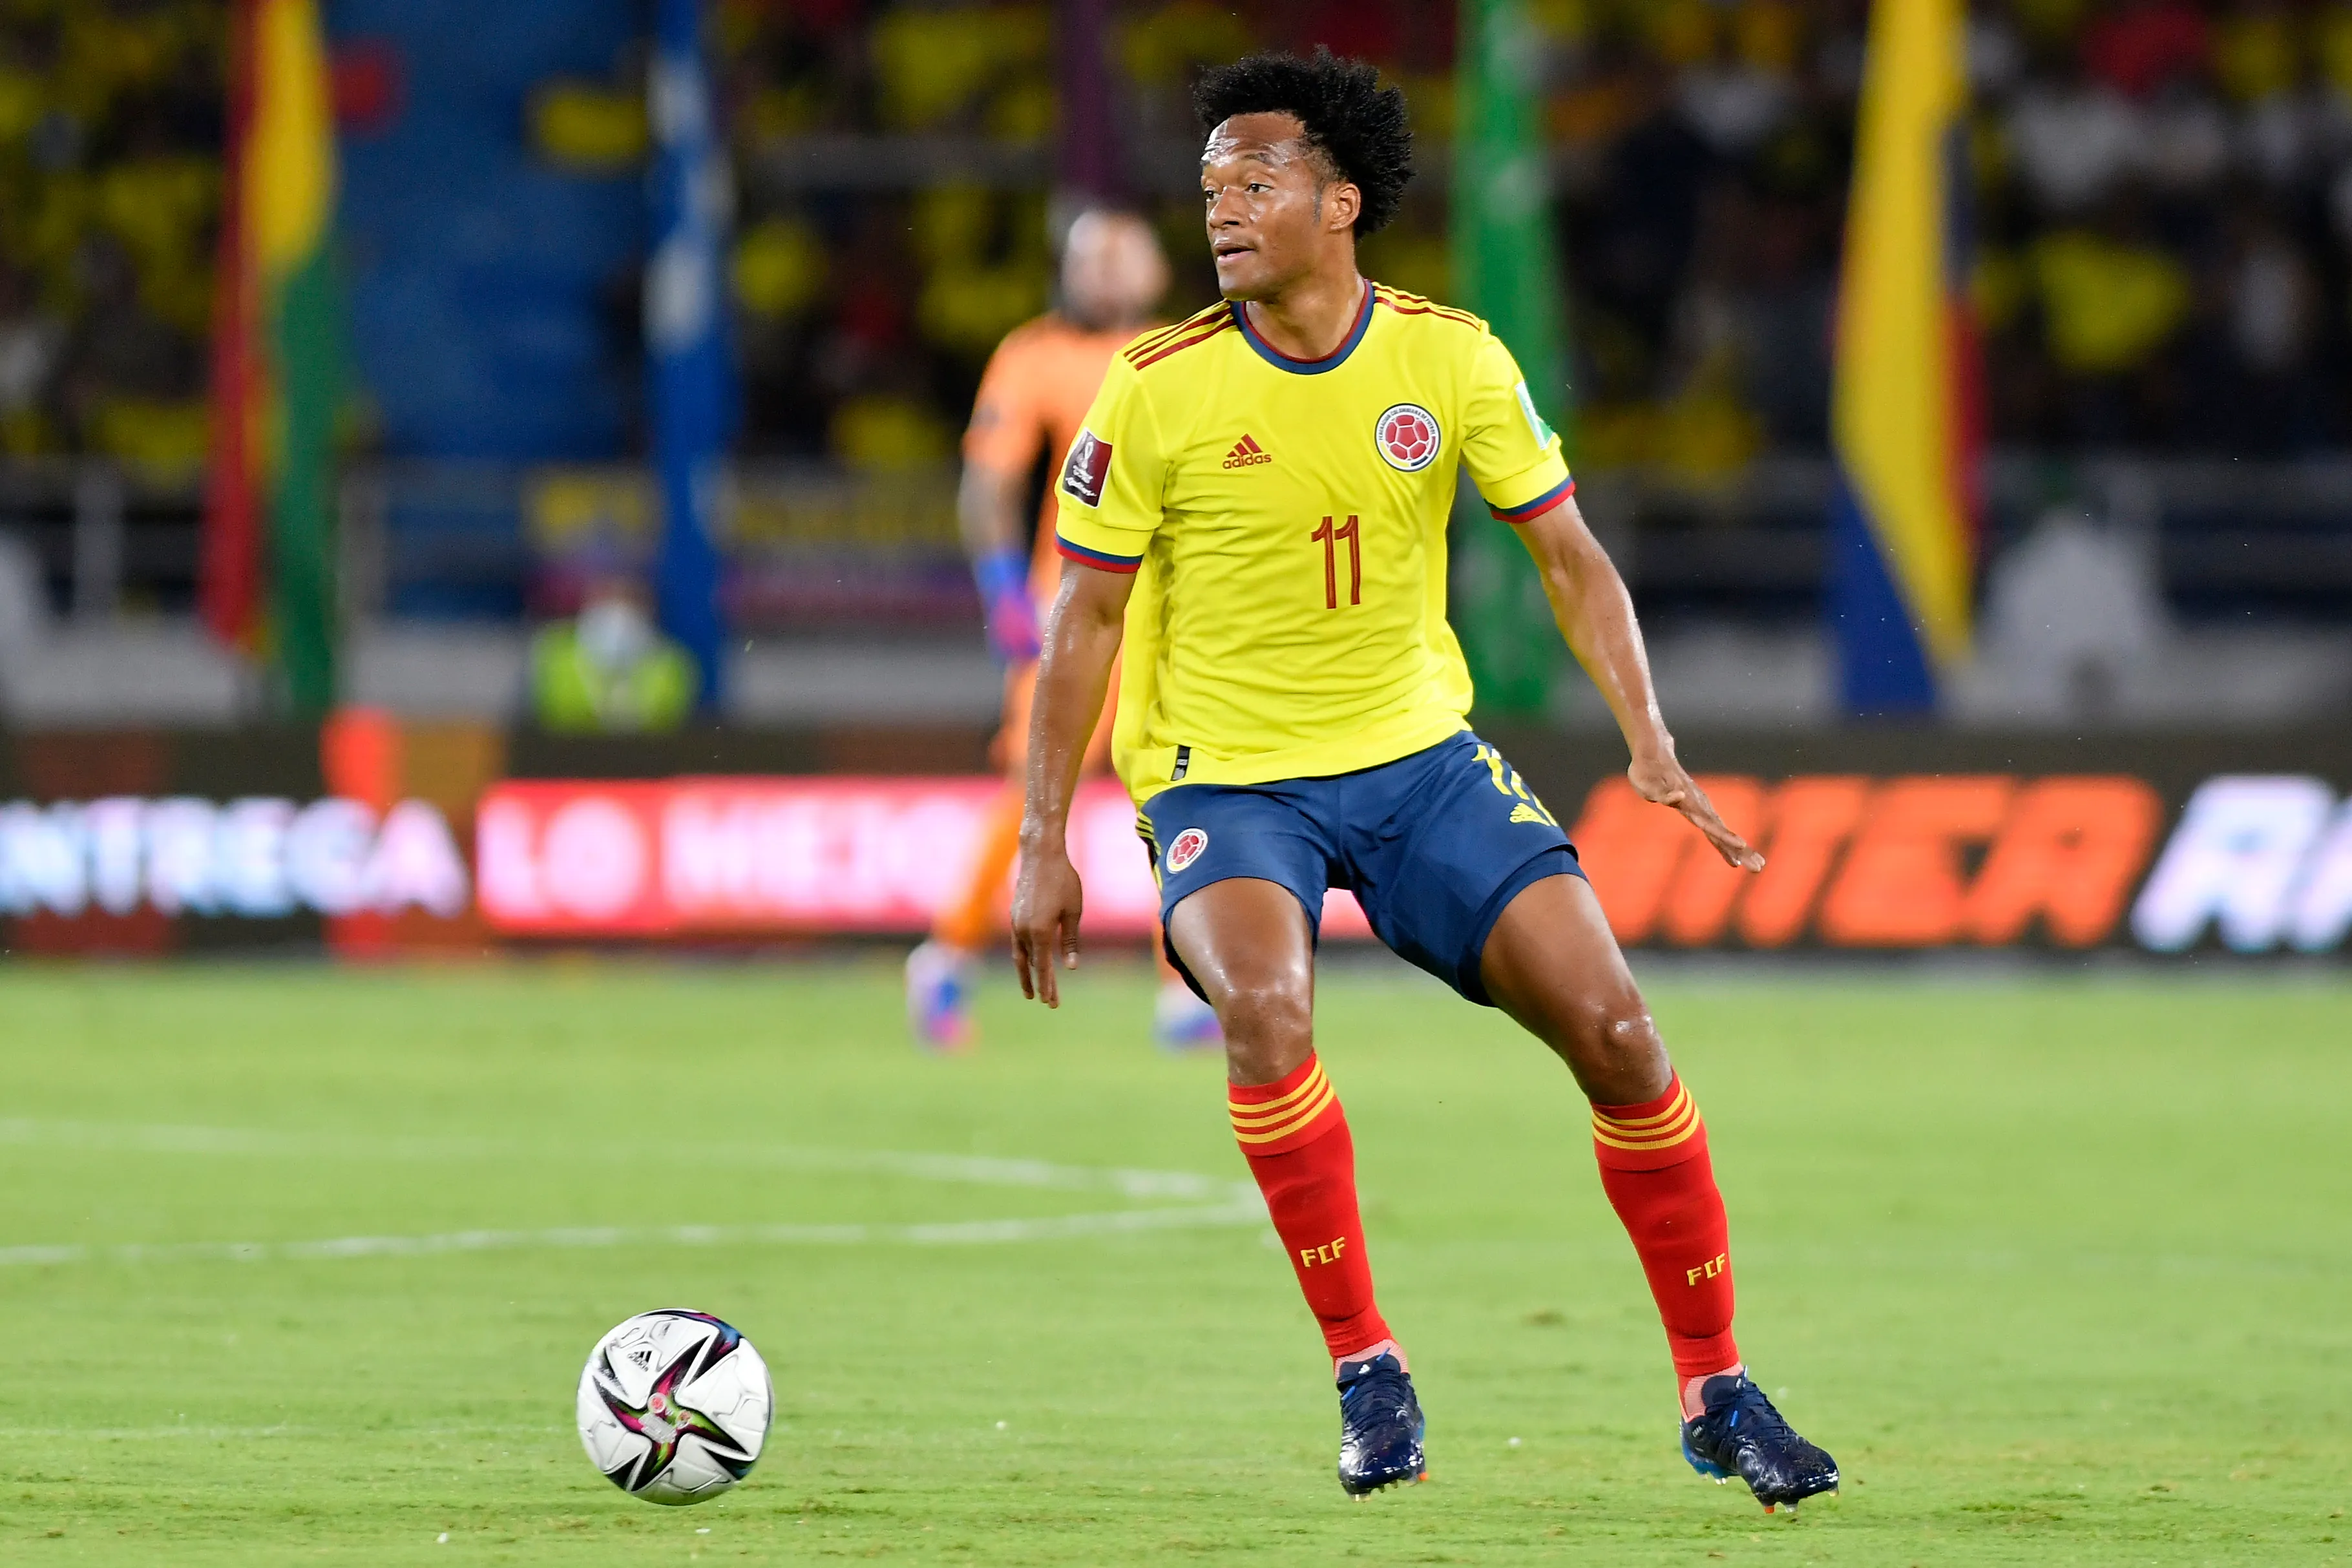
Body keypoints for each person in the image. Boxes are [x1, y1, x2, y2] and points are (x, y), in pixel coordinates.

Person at [1009, 50, 1838, 1508]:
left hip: (1418, 761)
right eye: (1208, 185)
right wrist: (1042, 836)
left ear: (1340, 201)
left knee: (1621, 1034)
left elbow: (1569, 557)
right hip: (1225, 782)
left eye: (1253, 181)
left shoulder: (1450, 359)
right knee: (1265, 1010)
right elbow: (1082, 620)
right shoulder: (1154, 387)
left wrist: (1646, 735)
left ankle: (1716, 1386)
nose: (1220, 208)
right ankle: (1365, 1366)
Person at [905, 207, 1221, 1053]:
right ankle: (945, 953)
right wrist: (1003, 587)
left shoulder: (1187, 351)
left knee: (1179, 789)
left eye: (1124, 257)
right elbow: (987, 484)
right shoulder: (1034, 355)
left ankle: (1182, 988)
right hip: (1074, 602)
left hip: (1171, 607)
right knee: (1037, 786)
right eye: (1093, 258)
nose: (1107, 273)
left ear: (1155, 271)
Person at [529, 577, 695, 734]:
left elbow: (670, 720)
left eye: (629, 606)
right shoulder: (557, 656)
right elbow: (556, 717)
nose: (618, 618)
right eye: (606, 603)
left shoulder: (672, 663)